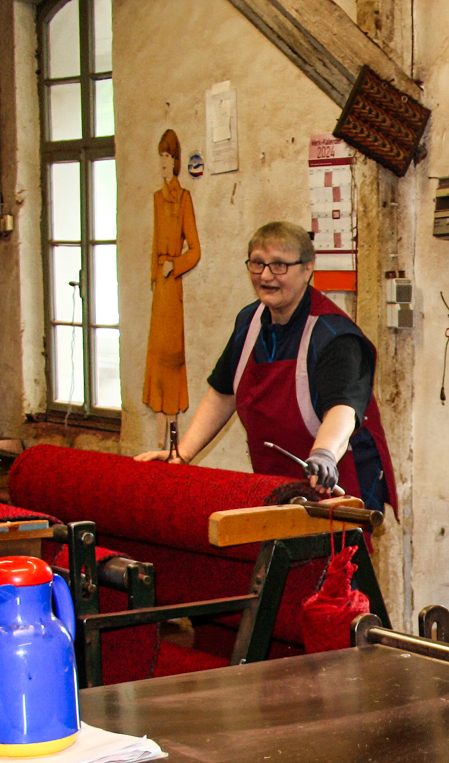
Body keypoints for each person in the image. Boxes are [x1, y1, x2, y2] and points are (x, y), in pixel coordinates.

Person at [136, 221, 397, 514]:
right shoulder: (249, 322)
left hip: (340, 480)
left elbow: (343, 410)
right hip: (276, 481)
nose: (266, 276)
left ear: (307, 268)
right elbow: (224, 393)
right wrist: (181, 454)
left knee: (338, 558)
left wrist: (324, 456)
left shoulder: (334, 335)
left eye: (279, 266)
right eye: (257, 264)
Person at [142, 130, 200, 432]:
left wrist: (173, 266)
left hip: (172, 281)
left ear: (176, 161)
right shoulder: (156, 198)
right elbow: (154, 240)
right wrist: (154, 275)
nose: (164, 163)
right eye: (161, 157)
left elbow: (195, 249)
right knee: (156, 349)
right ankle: (159, 409)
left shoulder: (183, 198)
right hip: (160, 285)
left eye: (168, 157)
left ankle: (173, 409)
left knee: (171, 350)